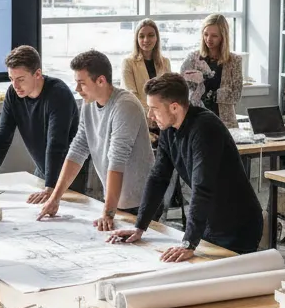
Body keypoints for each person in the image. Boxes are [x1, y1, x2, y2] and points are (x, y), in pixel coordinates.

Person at [108, 73, 263, 261]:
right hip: (208, 222)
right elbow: (159, 177)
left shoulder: (205, 128)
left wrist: (188, 242)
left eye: (154, 109)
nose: (150, 115)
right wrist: (140, 226)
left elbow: (202, 187)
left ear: (174, 107)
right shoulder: (169, 129)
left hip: (237, 225)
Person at [37, 49, 154, 231]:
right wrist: (55, 198)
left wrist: (108, 213)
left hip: (141, 203)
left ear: (101, 80)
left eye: (81, 83)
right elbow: (77, 149)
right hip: (117, 201)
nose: (77, 89)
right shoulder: (88, 104)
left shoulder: (125, 106)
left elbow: (117, 160)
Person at [0, 45, 80, 205]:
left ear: (37, 74)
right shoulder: (13, 94)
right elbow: (2, 136)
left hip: (72, 174)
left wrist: (51, 187)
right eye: (11, 79)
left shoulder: (58, 94)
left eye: (21, 79)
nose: (15, 85)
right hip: (45, 170)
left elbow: (56, 143)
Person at [180, 13, 242, 128]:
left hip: (225, 121)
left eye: (214, 36)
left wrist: (212, 95)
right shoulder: (193, 58)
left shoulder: (234, 61)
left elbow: (236, 95)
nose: (208, 39)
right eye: (206, 34)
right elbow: (183, 88)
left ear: (223, 37)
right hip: (196, 119)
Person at [122, 19, 171, 110]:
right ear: (137, 39)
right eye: (141, 36)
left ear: (157, 38)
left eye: (151, 35)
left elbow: (168, 93)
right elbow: (131, 95)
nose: (146, 40)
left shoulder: (165, 62)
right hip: (138, 114)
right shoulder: (128, 63)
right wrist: (152, 113)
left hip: (162, 116)